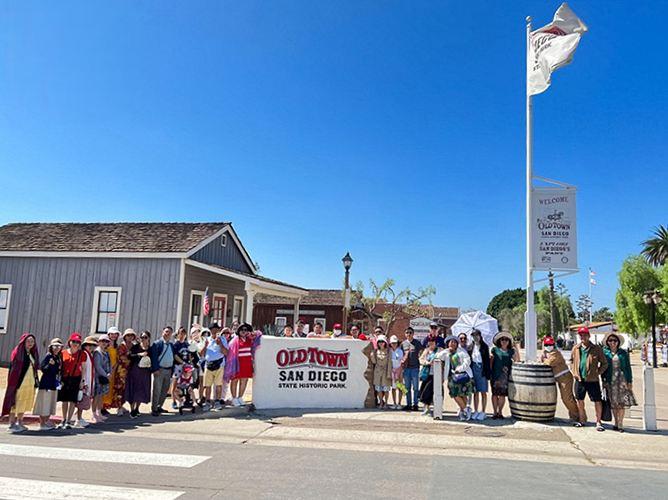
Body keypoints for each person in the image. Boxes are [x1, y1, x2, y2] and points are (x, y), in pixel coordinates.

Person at [570, 326, 608, 431]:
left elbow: (604, 363)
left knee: (597, 400)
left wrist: (597, 372)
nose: (583, 337)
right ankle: (582, 420)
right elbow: (571, 361)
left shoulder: (596, 349)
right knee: (579, 400)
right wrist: (574, 372)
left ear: (589, 336)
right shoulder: (576, 348)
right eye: (581, 335)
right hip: (579, 380)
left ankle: (598, 422)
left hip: (592, 380)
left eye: (585, 335)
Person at [3, 333, 39, 433]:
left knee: (24, 402)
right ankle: (11, 423)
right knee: (15, 403)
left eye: (32, 341)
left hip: (29, 383)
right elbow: (14, 369)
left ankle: (20, 422)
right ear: (23, 342)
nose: (30, 343)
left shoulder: (32, 353)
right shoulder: (18, 353)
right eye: (28, 341)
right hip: (19, 383)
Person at [601, 332, 636, 432]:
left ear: (618, 342)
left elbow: (628, 368)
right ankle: (616, 422)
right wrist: (603, 380)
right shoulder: (605, 352)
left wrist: (630, 381)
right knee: (613, 403)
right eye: (610, 340)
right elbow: (603, 367)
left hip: (622, 381)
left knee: (621, 403)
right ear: (607, 342)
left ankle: (620, 423)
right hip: (610, 381)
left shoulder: (623, 353)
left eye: (615, 340)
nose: (612, 342)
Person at [541, 335, 579, 422]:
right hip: (560, 378)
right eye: (546, 344)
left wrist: (544, 359)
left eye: (550, 344)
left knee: (567, 398)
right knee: (568, 398)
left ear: (553, 345)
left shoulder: (555, 353)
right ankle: (573, 416)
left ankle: (577, 416)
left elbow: (549, 362)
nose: (548, 346)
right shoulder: (548, 353)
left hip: (564, 377)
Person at [149, 326, 182, 416]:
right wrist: (155, 369)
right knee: (157, 390)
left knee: (165, 390)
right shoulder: (157, 344)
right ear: (162, 332)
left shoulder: (171, 345)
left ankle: (160, 406)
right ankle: (154, 408)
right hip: (159, 370)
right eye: (166, 331)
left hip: (168, 370)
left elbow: (174, 356)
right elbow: (154, 358)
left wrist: (183, 363)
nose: (167, 333)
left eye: (169, 332)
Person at [225, 323, 261, 407]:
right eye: (242, 330)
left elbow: (259, 333)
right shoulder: (235, 340)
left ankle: (240, 397)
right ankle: (234, 398)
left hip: (247, 362)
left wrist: (252, 333)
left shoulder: (250, 339)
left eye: (246, 330)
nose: (244, 331)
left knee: (244, 380)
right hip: (237, 363)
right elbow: (231, 353)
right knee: (235, 380)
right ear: (239, 331)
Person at [33, 338, 63, 431]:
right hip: (46, 384)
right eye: (55, 346)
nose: (57, 348)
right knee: (44, 403)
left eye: (59, 346)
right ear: (51, 347)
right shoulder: (49, 356)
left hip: (53, 383)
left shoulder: (57, 357)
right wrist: (50, 364)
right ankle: (42, 423)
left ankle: (46, 421)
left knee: (50, 403)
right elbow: (43, 368)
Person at [57, 333, 86, 429]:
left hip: (75, 378)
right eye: (74, 341)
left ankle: (69, 421)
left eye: (78, 342)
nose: (75, 344)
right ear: (69, 342)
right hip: (64, 379)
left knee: (72, 400)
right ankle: (63, 419)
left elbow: (84, 368)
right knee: (64, 400)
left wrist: (82, 381)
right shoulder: (63, 353)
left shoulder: (82, 354)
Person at [443, 335, 474, 421]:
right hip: (452, 377)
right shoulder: (446, 352)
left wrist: (459, 369)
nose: (452, 343)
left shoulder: (462, 351)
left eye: (454, 342)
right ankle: (466, 409)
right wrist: (446, 351)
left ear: (457, 344)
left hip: (463, 375)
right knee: (455, 394)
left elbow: (468, 361)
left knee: (463, 394)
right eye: (450, 342)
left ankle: (462, 412)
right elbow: (439, 356)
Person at [490, 331, 519, 420]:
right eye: (502, 339)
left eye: (506, 339)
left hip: (505, 376)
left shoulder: (511, 351)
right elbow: (490, 361)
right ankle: (495, 412)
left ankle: (500, 412)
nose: (504, 341)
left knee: (502, 395)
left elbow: (517, 360)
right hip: (495, 375)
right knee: (494, 394)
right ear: (499, 341)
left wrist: (516, 348)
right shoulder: (494, 350)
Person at [200, 323, 229, 411]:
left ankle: (217, 401)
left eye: (216, 329)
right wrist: (205, 345)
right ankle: (207, 402)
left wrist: (220, 344)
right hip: (208, 364)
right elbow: (201, 354)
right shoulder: (206, 340)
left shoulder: (223, 339)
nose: (214, 331)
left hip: (219, 364)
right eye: (213, 329)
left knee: (218, 385)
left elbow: (226, 352)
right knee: (207, 385)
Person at [125, 330, 152, 418]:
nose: (143, 339)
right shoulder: (135, 347)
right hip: (135, 371)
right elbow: (129, 356)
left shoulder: (150, 348)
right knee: (134, 390)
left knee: (141, 390)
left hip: (145, 372)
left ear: (149, 338)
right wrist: (139, 355)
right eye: (142, 337)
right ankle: (132, 410)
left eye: (145, 337)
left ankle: (137, 408)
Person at [75, 336, 98, 428]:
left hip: (88, 379)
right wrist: (83, 380)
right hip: (84, 380)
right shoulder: (84, 354)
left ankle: (79, 417)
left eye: (92, 345)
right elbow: (82, 368)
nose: (91, 347)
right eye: (89, 345)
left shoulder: (89, 354)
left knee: (83, 400)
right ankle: (78, 419)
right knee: (82, 400)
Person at [468, 329, 491, 421]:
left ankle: (483, 411)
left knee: (483, 391)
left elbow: (487, 361)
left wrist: (487, 373)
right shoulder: (470, 346)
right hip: (473, 368)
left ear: (480, 336)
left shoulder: (484, 346)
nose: (475, 337)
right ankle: (476, 410)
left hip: (482, 369)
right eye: (473, 335)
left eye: (477, 335)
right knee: (475, 391)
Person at [401, 327, 423, 411]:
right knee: (407, 388)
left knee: (416, 388)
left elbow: (422, 352)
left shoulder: (417, 343)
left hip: (415, 368)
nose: (409, 334)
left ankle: (415, 404)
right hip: (406, 369)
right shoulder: (403, 344)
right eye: (407, 332)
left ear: (413, 334)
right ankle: (408, 404)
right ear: (405, 334)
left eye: (410, 332)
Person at [418, 336, 441, 415]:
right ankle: (426, 408)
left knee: (430, 392)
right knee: (424, 391)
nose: (431, 342)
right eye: (429, 341)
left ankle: (435, 409)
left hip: (435, 374)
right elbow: (421, 359)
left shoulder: (439, 350)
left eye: (433, 341)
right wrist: (427, 363)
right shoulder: (426, 351)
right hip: (426, 374)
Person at [92, 334, 112, 424]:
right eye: (102, 341)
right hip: (98, 377)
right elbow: (97, 366)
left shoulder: (106, 352)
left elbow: (109, 364)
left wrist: (110, 372)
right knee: (96, 396)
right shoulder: (97, 352)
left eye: (106, 341)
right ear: (99, 342)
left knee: (100, 396)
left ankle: (99, 413)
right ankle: (93, 414)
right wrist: (106, 374)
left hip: (104, 377)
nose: (104, 343)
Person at [170, 327, 191, 409]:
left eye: (184, 333)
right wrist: (183, 363)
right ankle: (174, 401)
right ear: (178, 334)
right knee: (174, 385)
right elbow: (175, 356)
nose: (182, 335)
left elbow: (189, 354)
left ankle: (184, 400)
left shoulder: (186, 344)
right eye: (181, 333)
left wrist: (189, 363)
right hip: (177, 366)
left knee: (185, 384)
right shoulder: (176, 344)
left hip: (186, 367)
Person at [102, 326, 120, 415]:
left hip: (114, 370)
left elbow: (117, 358)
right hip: (106, 370)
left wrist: (115, 368)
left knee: (110, 389)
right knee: (104, 388)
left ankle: (105, 406)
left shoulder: (117, 347)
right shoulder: (106, 346)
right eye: (111, 334)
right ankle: (101, 407)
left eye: (115, 334)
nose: (113, 336)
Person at [370, 335, 393, 409]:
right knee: (379, 389)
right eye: (379, 341)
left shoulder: (389, 351)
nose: (381, 343)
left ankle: (386, 403)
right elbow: (374, 362)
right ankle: (381, 402)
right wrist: (372, 355)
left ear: (385, 343)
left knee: (386, 389)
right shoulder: (376, 351)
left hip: (386, 372)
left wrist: (389, 374)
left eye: (382, 341)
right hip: (378, 372)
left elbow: (389, 363)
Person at [389, 335, 404, 409]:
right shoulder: (389, 351)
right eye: (392, 343)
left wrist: (399, 372)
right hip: (392, 371)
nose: (394, 344)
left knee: (400, 387)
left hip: (399, 371)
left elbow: (401, 362)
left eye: (395, 343)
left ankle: (399, 403)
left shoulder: (400, 351)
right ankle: (394, 403)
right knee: (394, 388)